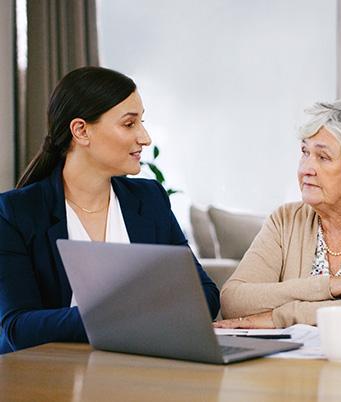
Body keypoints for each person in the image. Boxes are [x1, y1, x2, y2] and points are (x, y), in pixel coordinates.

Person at [0, 66, 220, 354]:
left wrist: (127, 315)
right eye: (129, 124)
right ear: (81, 131)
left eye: (142, 122)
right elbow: (19, 327)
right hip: (53, 380)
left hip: (140, 369)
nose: (145, 137)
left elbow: (205, 295)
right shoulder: (16, 212)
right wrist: (126, 314)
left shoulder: (149, 199)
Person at [216, 99, 341, 330]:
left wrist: (279, 317)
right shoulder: (285, 219)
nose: (305, 169)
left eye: (323, 157)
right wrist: (329, 286)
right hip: (287, 363)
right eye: (305, 153)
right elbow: (233, 300)